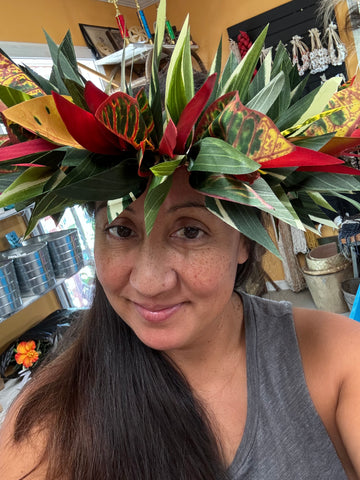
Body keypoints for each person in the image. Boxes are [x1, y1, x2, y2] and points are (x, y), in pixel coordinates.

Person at [1, 0, 360, 477]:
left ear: (246, 240)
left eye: (190, 230)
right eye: (120, 229)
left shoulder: (338, 359)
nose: (148, 282)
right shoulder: (44, 426)